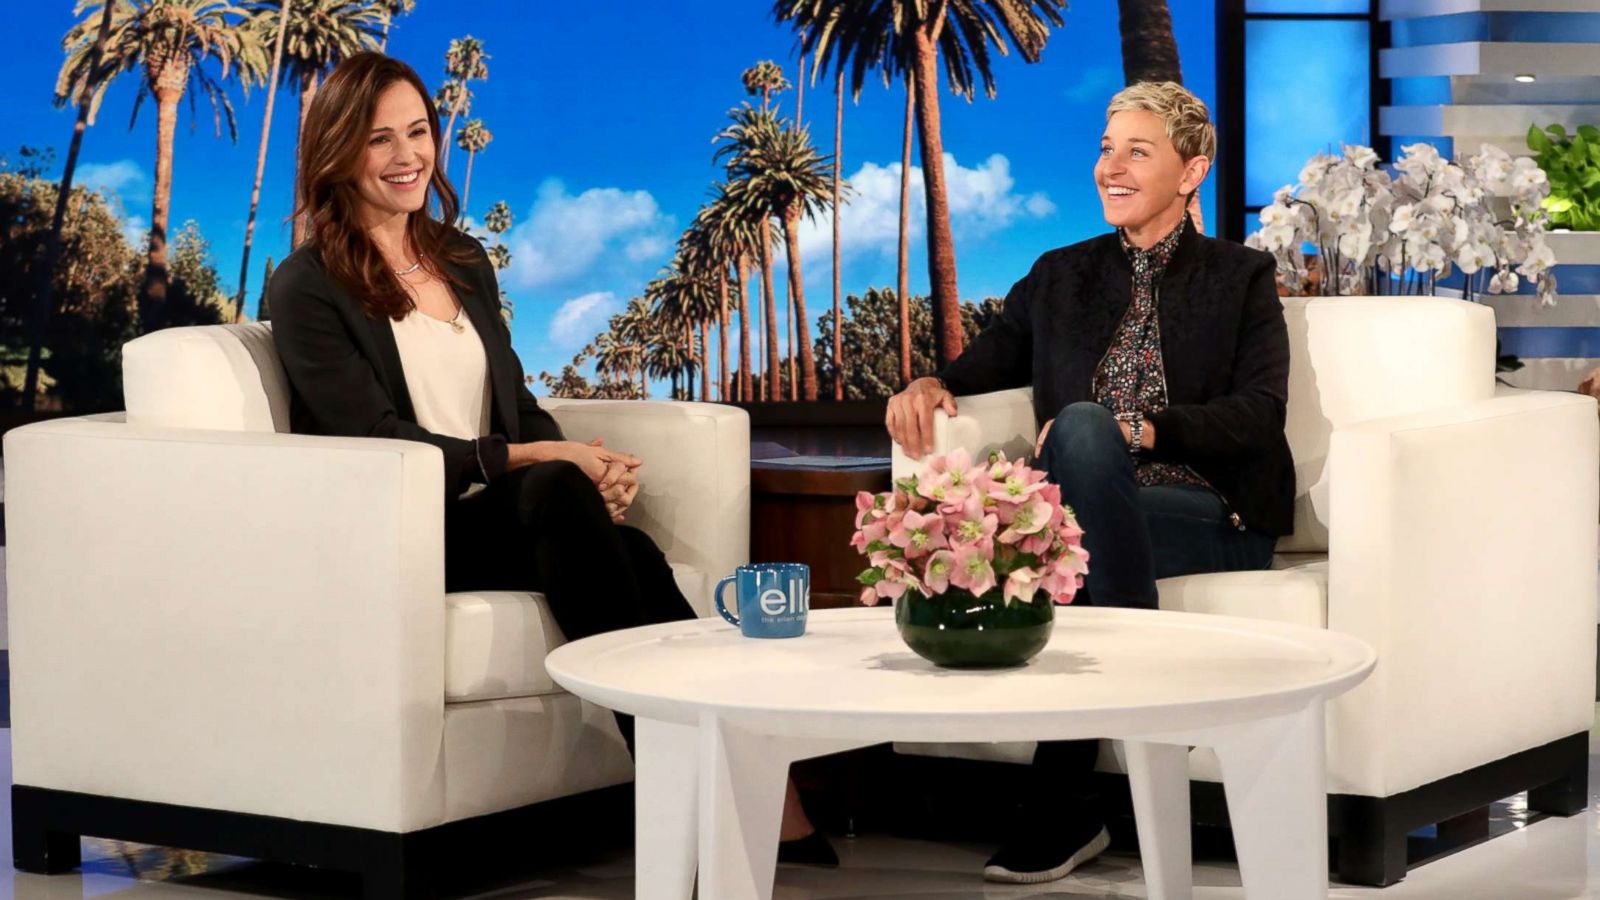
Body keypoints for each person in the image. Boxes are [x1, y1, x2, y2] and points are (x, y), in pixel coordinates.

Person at [269, 52, 834, 866]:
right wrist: (543, 460)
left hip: (502, 513)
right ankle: (728, 798)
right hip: (405, 533)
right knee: (556, 496)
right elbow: (380, 445)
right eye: (378, 139)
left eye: (419, 132)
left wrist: (585, 464)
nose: (407, 156)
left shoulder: (461, 260)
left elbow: (515, 404)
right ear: (335, 154)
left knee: (631, 546)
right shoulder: (307, 287)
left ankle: (731, 786)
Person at [885, 81, 1294, 884]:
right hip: (1086, 510)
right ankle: (1136, 746)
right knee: (1072, 471)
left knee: (1077, 431)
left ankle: (1064, 799)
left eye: (1137, 152)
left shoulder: (1240, 275)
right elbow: (980, 370)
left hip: (1211, 511)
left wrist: (1140, 430)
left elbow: (1260, 413)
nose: (1111, 167)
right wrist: (928, 385)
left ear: (1190, 172)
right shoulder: (1060, 275)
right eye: (1107, 149)